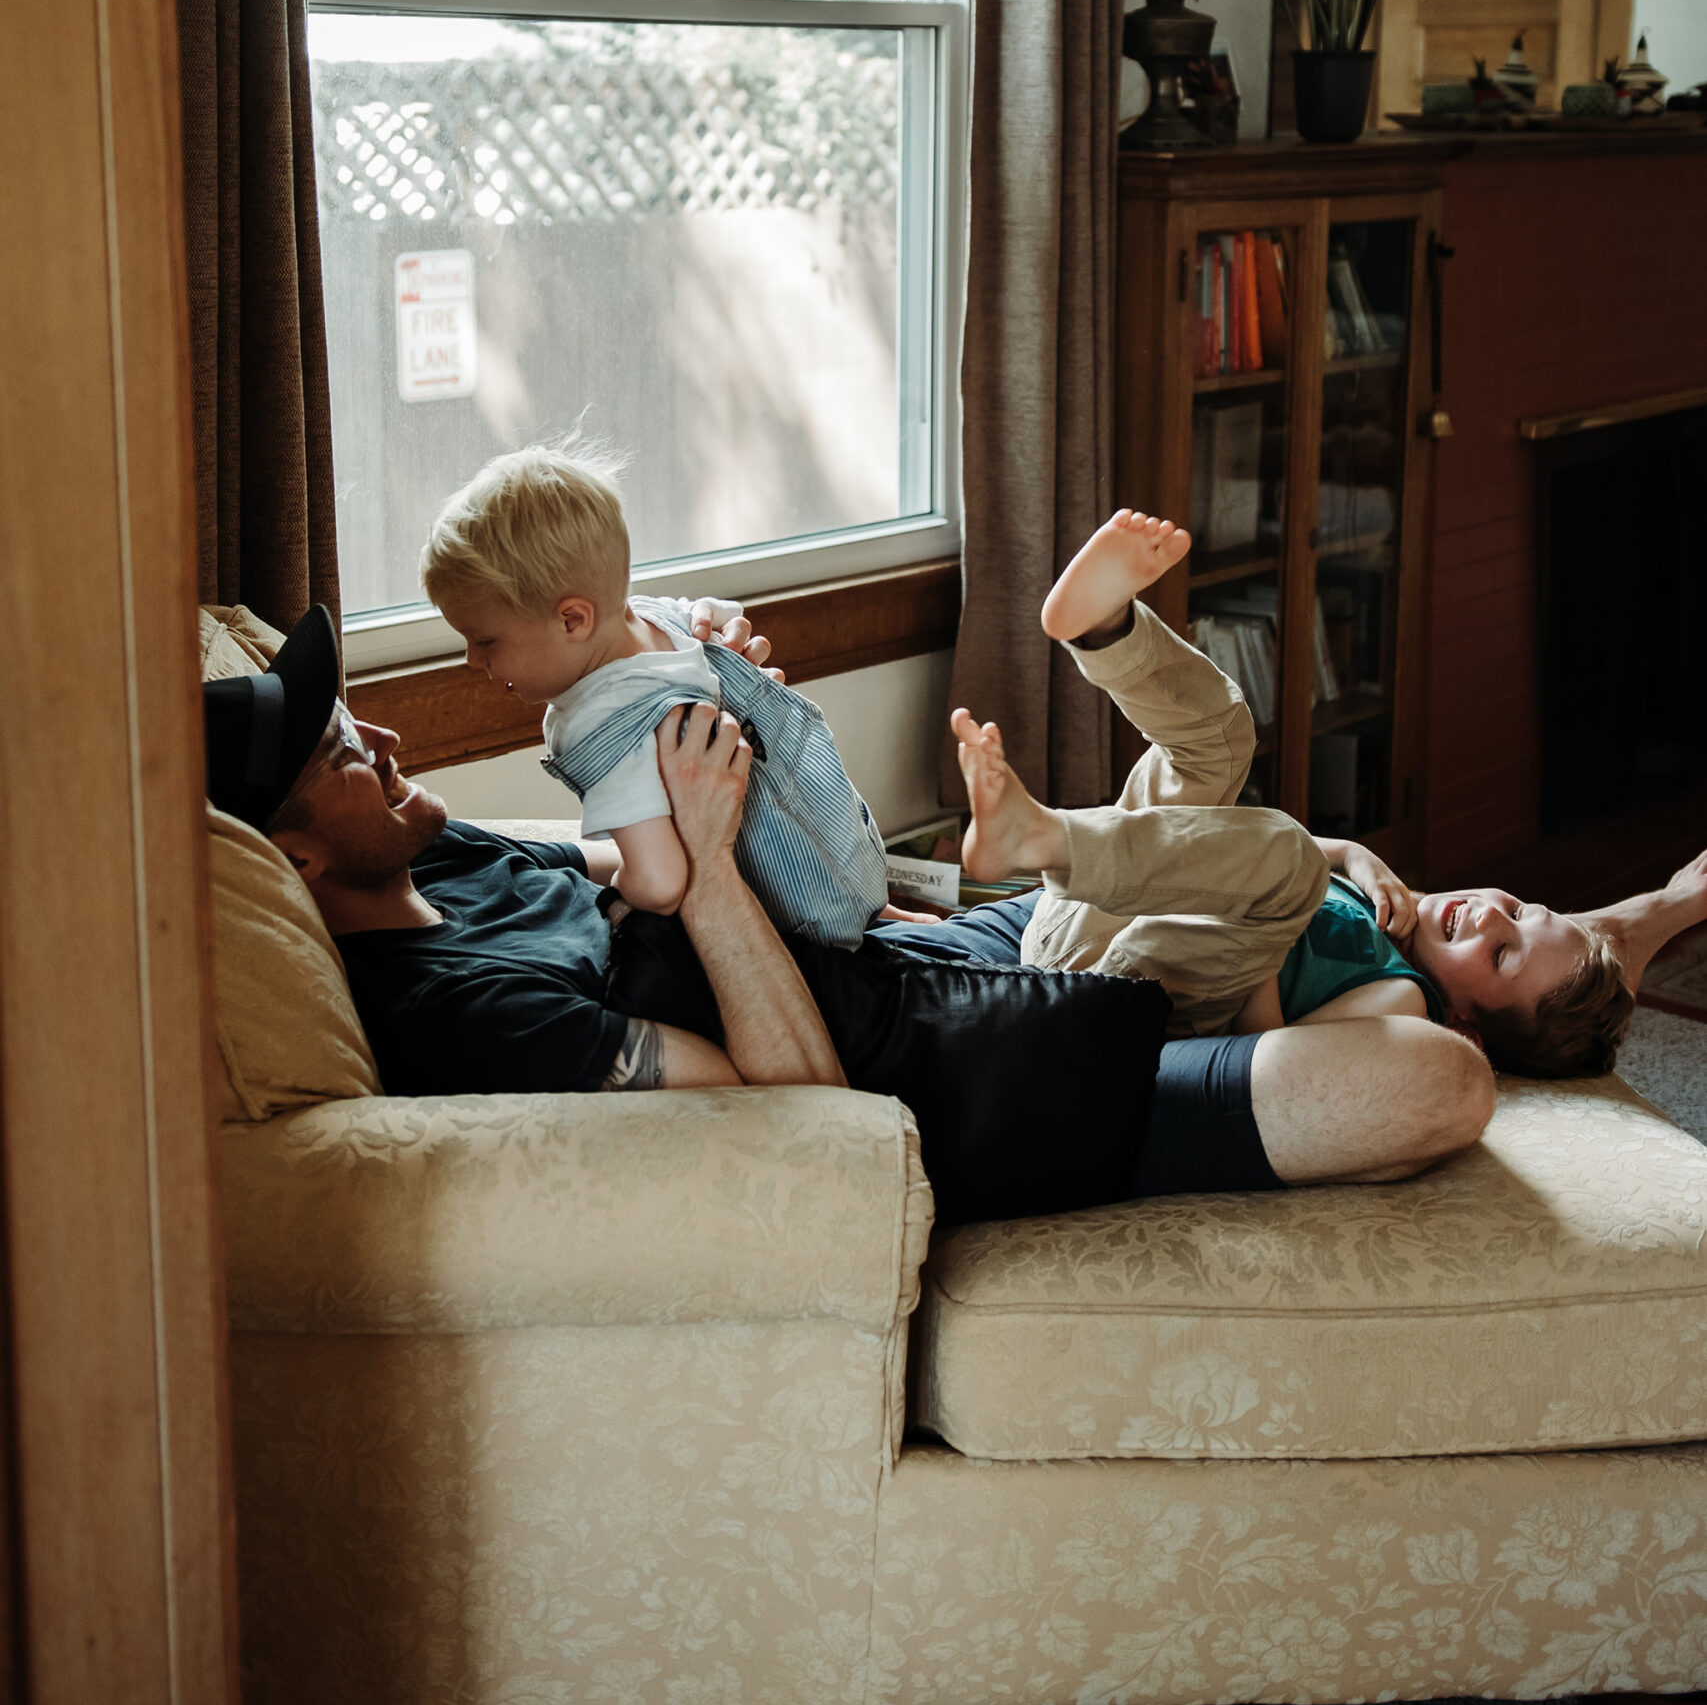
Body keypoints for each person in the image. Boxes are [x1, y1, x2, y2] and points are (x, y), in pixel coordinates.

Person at [200, 590, 1499, 1225]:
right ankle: (1360, 947)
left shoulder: (440, 855)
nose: (373, 732)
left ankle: (1462, 921)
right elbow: (792, 1117)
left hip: (905, 957)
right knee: (1434, 1081)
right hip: (965, 1089)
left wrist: (719, 716)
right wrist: (707, 868)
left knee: (1219, 816)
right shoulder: (455, 1015)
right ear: (297, 861)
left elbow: (631, 865)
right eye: (332, 753)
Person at [950, 507, 1704, 1079]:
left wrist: (1275, 921)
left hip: (1111, 989)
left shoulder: (1406, 999)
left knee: (1280, 857)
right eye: (1514, 908)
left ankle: (1043, 837)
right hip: (1093, 909)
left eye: (1499, 953)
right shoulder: (1392, 903)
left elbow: (1272, 1054)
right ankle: (1102, 630)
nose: (1484, 916)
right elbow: (1246, 859)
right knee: (1222, 741)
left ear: (1469, 1027)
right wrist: (1354, 853)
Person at [419, 440, 888, 950]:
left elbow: (661, 884)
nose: (471, 661)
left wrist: (614, 901)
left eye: (485, 641)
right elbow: (718, 612)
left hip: (799, 930)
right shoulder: (655, 616)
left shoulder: (603, 723)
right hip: (852, 856)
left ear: (573, 619)